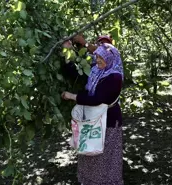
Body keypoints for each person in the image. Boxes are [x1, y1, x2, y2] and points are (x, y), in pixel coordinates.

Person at [61, 42, 124, 185]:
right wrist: (67, 52)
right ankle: (89, 181)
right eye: (97, 57)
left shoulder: (115, 77)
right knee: (90, 150)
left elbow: (97, 99)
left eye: (102, 57)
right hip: (92, 118)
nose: (98, 60)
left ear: (110, 59)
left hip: (108, 121)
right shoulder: (96, 70)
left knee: (104, 154)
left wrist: (72, 96)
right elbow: (75, 73)